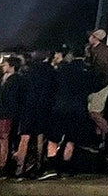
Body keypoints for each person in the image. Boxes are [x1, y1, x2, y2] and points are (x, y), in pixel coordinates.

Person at [41, 46, 100, 180]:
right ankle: (66, 167)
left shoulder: (61, 71)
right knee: (71, 140)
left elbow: (52, 88)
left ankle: (51, 167)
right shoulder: (86, 72)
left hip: (59, 108)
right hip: (78, 109)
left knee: (53, 139)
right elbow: (95, 86)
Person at [15, 51, 54, 178]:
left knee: (24, 137)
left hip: (27, 106)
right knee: (40, 137)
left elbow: (20, 91)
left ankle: (20, 168)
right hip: (43, 107)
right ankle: (38, 165)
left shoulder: (27, 71)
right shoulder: (50, 71)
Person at [0, 55, 22, 179]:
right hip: (1, 113)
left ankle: (1, 165)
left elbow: (11, 99)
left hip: (6, 114)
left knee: (2, 139)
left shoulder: (14, 80)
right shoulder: (4, 79)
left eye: (5, 64)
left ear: (12, 66)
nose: (3, 66)